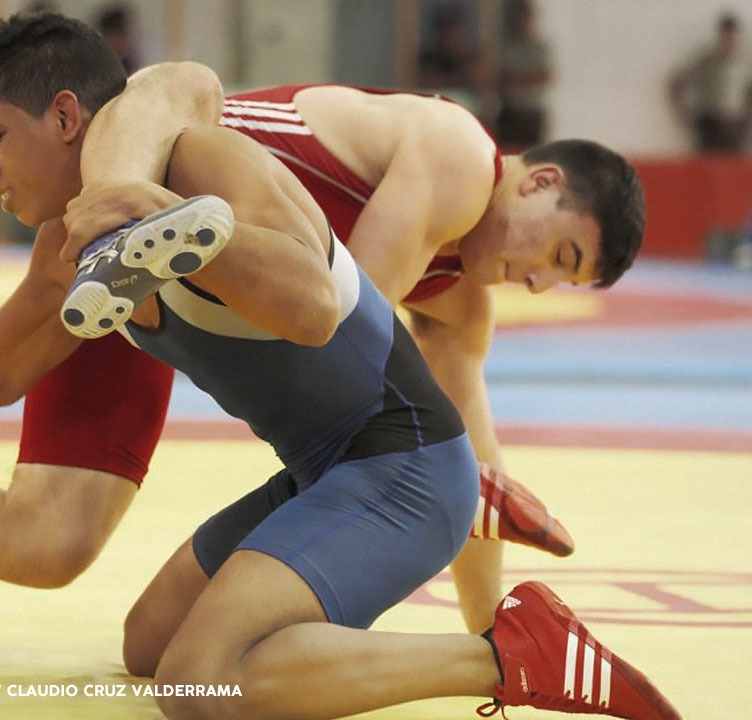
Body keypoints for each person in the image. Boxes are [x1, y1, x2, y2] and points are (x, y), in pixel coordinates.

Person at [0, 13, 676, 720]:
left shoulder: (198, 136)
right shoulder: (73, 233)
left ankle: (506, 659)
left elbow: (186, 88)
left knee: (204, 680)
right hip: (328, 450)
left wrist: (489, 614)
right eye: (558, 255)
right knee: (149, 647)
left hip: (374, 418)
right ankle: (157, 241)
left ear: (64, 116)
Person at [64, 61, 643, 638]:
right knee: (187, 85)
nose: (539, 283)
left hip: (143, 285)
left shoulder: (459, 308)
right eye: (560, 257)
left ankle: (116, 239)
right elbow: (345, 317)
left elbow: (477, 463)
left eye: (559, 282)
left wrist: (487, 628)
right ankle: (114, 230)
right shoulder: (462, 155)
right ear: (541, 181)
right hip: (152, 161)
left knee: (43, 540)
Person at [668, 11, 752, 154]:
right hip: (710, 123)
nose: (730, 41)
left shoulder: (745, 64)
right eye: (726, 36)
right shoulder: (706, 62)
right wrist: (682, 113)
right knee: (706, 167)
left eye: (733, 37)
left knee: (733, 168)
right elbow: (677, 83)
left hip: (736, 124)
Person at [495, 0, 553, 149]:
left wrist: (517, 78)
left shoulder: (540, 48)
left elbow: (544, 77)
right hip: (511, 111)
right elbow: (500, 78)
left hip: (532, 111)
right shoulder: (506, 47)